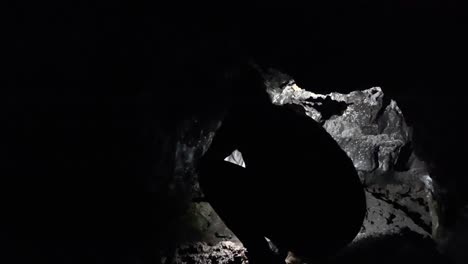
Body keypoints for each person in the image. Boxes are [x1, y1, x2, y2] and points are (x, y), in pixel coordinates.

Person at [197, 62, 367, 263]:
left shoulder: (243, 119)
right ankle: (286, 246)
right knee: (282, 178)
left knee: (209, 172)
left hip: (316, 232)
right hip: (346, 226)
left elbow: (211, 161)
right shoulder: (291, 118)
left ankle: (261, 254)